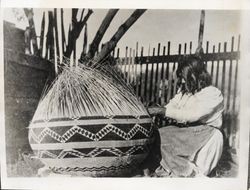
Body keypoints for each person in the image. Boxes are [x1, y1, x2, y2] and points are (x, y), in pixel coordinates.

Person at [148, 55, 224, 177]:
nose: (182, 81)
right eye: (181, 78)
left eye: (185, 78)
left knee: (164, 137)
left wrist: (162, 111)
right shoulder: (184, 93)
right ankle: (178, 170)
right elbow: (171, 106)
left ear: (196, 75)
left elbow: (192, 115)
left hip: (206, 136)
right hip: (185, 134)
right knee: (158, 134)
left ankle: (189, 173)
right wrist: (157, 108)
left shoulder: (212, 93)